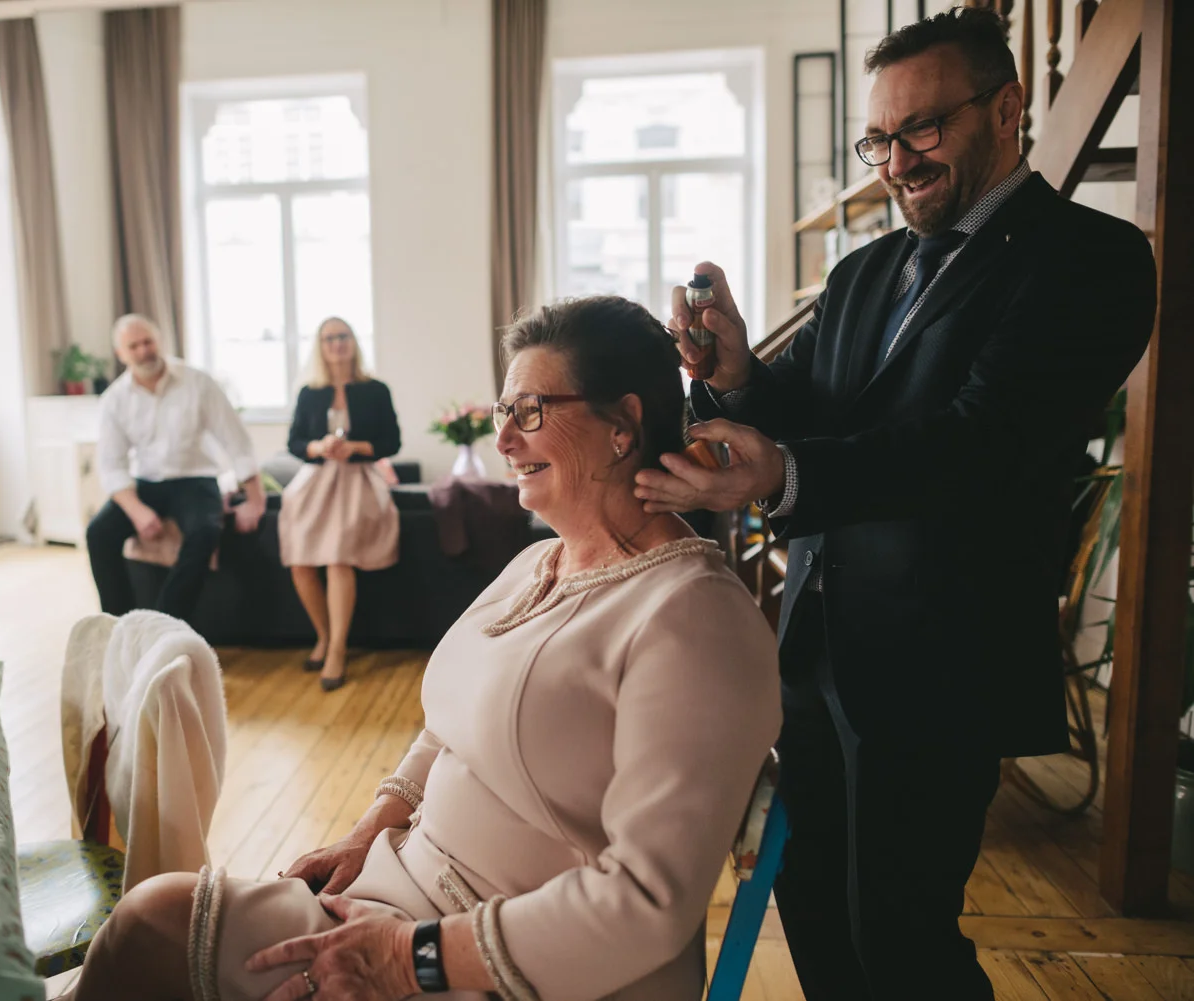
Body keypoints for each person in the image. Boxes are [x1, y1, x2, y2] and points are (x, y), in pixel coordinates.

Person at [635, 9, 1157, 1000]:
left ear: (1008, 109)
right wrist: (740, 370)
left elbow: (979, 439)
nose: (896, 161)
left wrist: (784, 475)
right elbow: (814, 410)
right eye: (879, 139)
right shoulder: (864, 269)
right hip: (817, 644)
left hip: (940, 662)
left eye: (923, 129)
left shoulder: (1091, 259)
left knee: (904, 935)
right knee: (814, 905)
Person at [62, 296, 780, 1001]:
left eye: (530, 412)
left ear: (622, 425)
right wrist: (370, 827)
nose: (503, 440)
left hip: (511, 965)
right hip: (399, 891)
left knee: (149, 940)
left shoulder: (694, 620)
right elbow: (450, 722)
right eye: (504, 413)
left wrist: (409, 959)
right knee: (148, 920)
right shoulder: (537, 563)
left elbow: (646, 904)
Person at [88, 314, 265, 627]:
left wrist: (255, 498)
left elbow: (236, 441)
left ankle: (163, 626)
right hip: (145, 484)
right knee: (98, 534)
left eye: (148, 342)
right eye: (134, 346)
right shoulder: (114, 399)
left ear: (160, 342)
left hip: (195, 479)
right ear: (121, 354)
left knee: (205, 531)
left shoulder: (197, 382)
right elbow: (112, 465)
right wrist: (137, 511)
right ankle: (120, 628)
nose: (144, 351)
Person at [281, 318, 401, 692]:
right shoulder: (309, 392)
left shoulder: (375, 389)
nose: (337, 343)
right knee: (300, 561)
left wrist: (355, 448)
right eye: (329, 338)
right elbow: (295, 443)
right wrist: (318, 447)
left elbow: (392, 442)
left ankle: (337, 649)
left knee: (337, 557)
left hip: (358, 479)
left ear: (353, 342)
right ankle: (323, 635)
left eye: (343, 336)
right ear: (320, 345)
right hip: (317, 481)